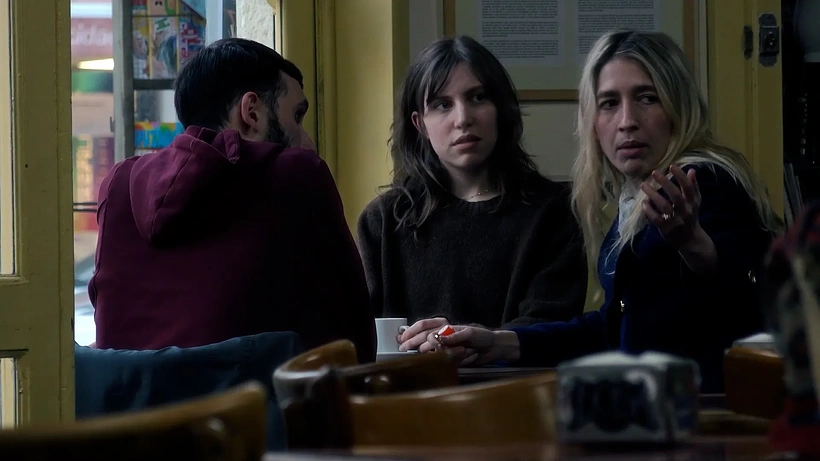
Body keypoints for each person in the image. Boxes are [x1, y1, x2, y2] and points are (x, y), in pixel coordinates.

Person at [422, 31, 783, 392]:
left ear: (678, 107)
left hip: (705, 413)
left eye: (647, 98)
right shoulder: (636, 196)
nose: (627, 120)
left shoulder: (700, 181)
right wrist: (501, 342)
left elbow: (746, 301)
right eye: (609, 103)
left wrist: (696, 248)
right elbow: (613, 328)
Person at [90, 38, 377, 362]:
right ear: (251, 112)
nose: (307, 142)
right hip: (255, 396)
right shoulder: (297, 175)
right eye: (297, 117)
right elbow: (355, 342)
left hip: (133, 398)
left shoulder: (118, 186)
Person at [357, 36, 588, 353]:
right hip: (409, 385)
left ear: (500, 109)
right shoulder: (383, 221)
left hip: (518, 384)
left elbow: (550, 329)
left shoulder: (554, 212)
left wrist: (470, 339)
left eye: (478, 98)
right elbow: (357, 337)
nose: (463, 118)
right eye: (442, 105)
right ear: (420, 124)